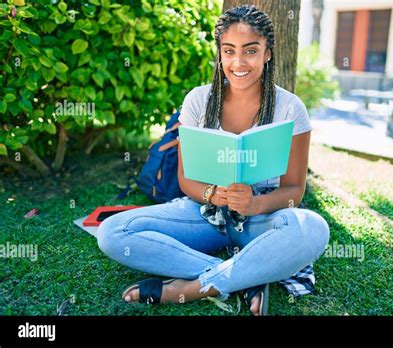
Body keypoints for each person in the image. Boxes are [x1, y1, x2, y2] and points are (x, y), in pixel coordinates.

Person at [97, 5, 330, 316]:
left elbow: (293, 191)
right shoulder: (197, 100)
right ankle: (244, 277)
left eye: (250, 51)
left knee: (313, 227)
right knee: (112, 233)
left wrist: (255, 205)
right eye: (229, 51)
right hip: (204, 215)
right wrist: (212, 194)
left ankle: (195, 288)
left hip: (261, 220)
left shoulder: (290, 108)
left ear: (268, 54)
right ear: (220, 53)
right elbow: (185, 179)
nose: (238, 62)